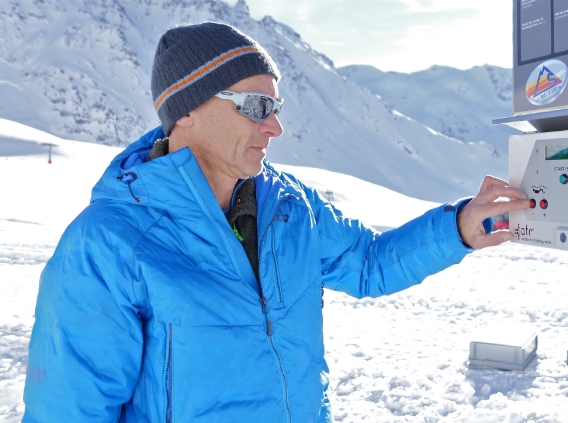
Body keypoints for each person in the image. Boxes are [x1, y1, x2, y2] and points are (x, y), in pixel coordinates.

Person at [22, 22, 528, 422]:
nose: (276, 126)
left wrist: (458, 228)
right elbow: (68, 410)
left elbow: (368, 263)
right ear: (187, 110)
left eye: (276, 107)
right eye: (257, 106)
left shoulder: (291, 207)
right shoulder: (108, 243)